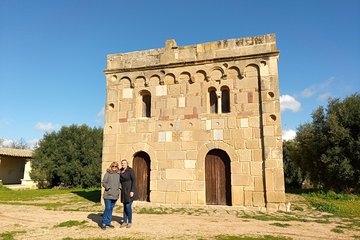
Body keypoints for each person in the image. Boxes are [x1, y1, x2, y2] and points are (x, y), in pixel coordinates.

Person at [100, 161, 121, 230]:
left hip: (115, 194)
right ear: (111, 167)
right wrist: (108, 188)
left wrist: (120, 188)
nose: (114, 167)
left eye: (115, 166)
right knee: (108, 208)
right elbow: (103, 182)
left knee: (111, 209)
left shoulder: (119, 174)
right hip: (108, 195)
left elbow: (121, 182)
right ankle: (103, 222)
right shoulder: (108, 173)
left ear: (117, 167)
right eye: (113, 166)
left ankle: (108, 223)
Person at [119, 159, 138, 228]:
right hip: (124, 190)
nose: (123, 164)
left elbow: (134, 180)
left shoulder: (130, 170)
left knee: (128, 206)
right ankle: (124, 221)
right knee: (124, 207)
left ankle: (129, 222)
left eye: (125, 163)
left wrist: (132, 191)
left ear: (127, 163)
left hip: (130, 190)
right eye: (122, 163)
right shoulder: (120, 171)